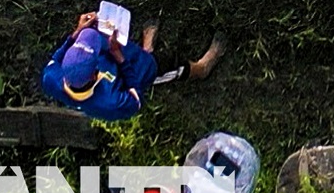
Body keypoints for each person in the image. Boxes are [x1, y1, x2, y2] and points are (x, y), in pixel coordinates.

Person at [38, 11, 222, 122]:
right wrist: (119, 58)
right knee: (167, 63)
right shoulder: (112, 104)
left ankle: (146, 48)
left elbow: (56, 56)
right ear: (95, 75)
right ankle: (201, 68)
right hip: (136, 71)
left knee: (138, 51)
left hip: (115, 56)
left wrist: (77, 33)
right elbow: (136, 97)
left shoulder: (51, 77)